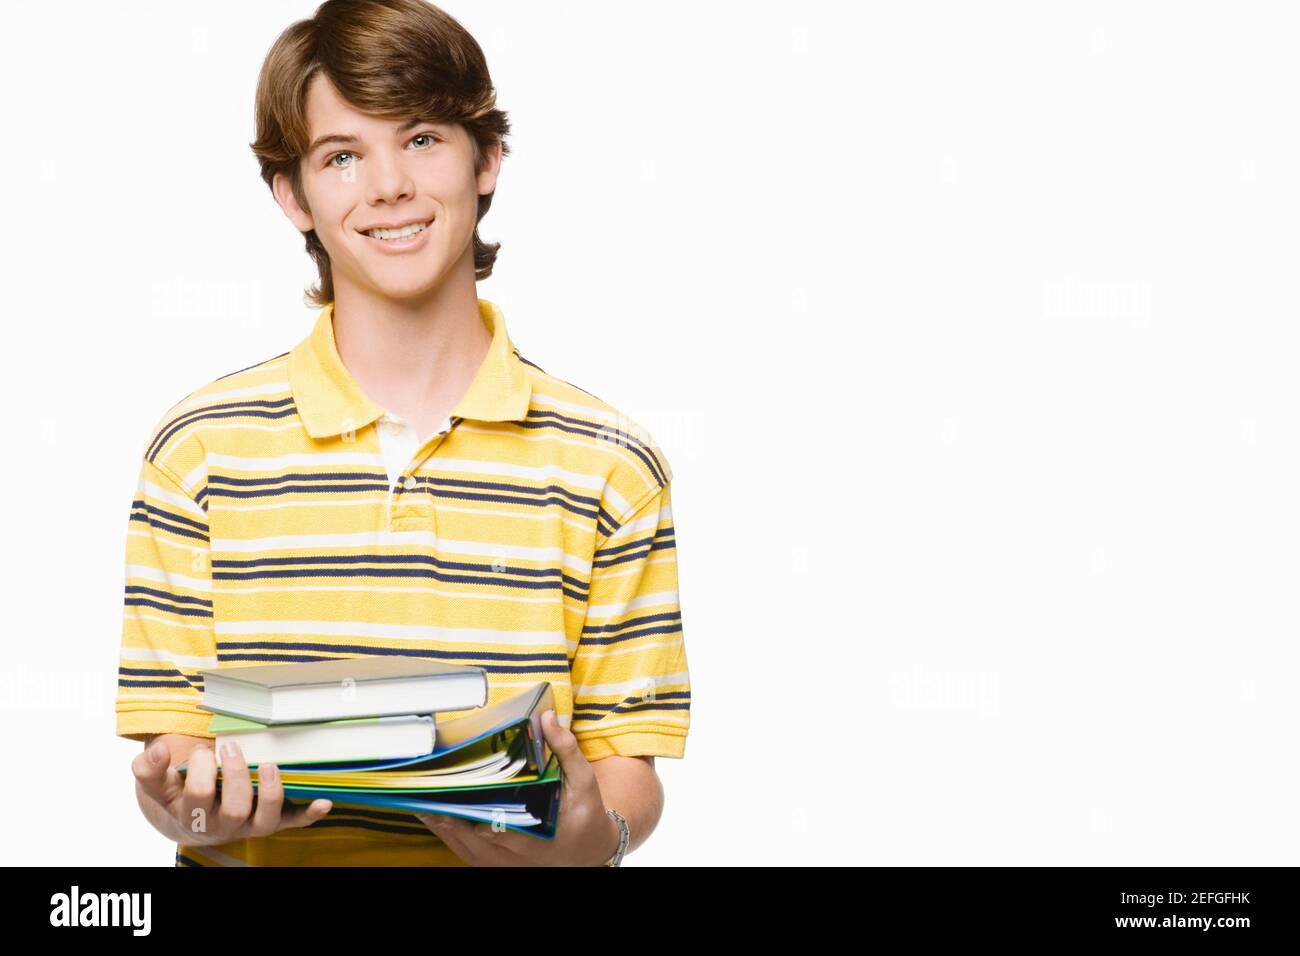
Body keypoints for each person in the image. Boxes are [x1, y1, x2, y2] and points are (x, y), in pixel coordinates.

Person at [117, 0, 690, 866]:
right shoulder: (198, 449)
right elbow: (173, 762)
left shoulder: (612, 464)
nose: (388, 185)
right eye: (342, 156)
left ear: (487, 158)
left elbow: (627, 769)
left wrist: (588, 844)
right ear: (293, 196)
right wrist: (189, 811)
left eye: (421, 138)